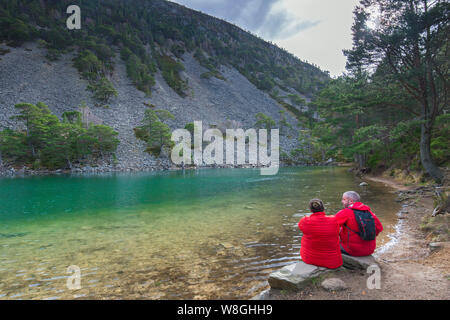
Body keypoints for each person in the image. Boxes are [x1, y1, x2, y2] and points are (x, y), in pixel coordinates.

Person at [335, 191, 383, 257]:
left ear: (350, 201)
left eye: (344, 199)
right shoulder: (369, 212)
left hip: (353, 250)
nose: (342, 201)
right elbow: (379, 228)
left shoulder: (345, 212)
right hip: (370, 250)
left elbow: (330, 225)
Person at [298, 199, 342, 269]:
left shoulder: (305, 220)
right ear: (323, 208)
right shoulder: (334, 219)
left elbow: (301, 228)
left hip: (309, 258)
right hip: (332, 261)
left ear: (310, 209)